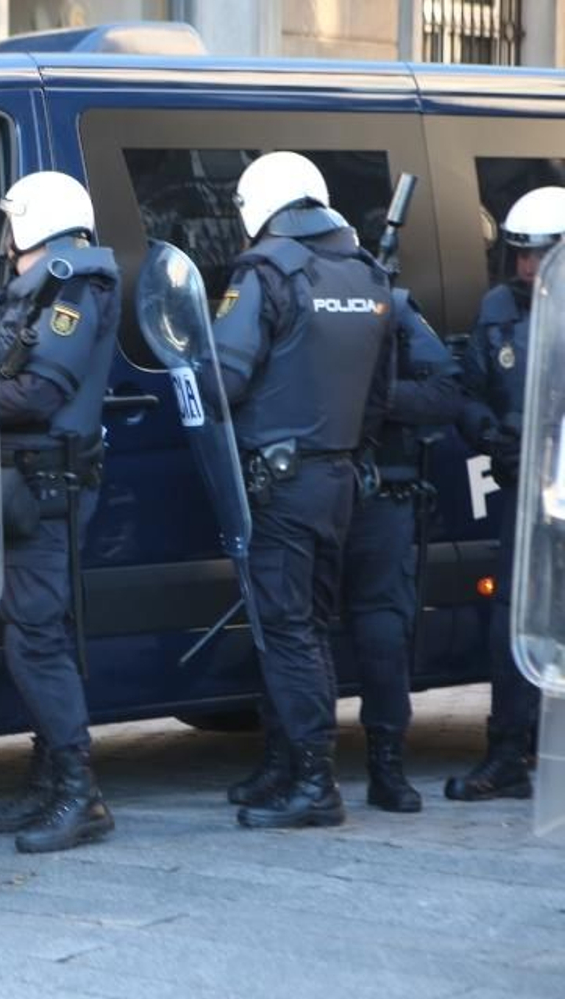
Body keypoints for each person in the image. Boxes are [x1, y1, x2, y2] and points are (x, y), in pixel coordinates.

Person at [210, 151, 392, 830]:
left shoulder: (266, 272)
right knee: (309, 628)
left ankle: (314, 782)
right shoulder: (368, 274)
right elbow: (379, 394)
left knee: (285, 632)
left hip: (279, 484)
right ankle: (290, 764)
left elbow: (224, 378)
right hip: (337, 476)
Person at [0, 171, 120, 854]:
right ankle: (48, 777)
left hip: (46, 489)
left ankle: (78, 792)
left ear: (32, 223)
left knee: (37, 637)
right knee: (34, 634)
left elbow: (39, 392)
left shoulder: (73, 290)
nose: (4, 240)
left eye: (12, 224)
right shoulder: (45, 288)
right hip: (28, 486)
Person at [446, 185, 565, 801]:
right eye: (518, 253)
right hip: (523, 497)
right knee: (511, 625)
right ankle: (507, 754)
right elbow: (467, 388)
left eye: (539, 254)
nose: (526, 266)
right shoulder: (497, 307)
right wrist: (484, 430)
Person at [333, 290, 464, 814]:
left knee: (383, 629)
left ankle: (386, 766)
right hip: (308, 489)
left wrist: (372, 396)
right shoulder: (282, 291)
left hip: (381, 493)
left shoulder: (391, 304)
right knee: (294, 630)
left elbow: (445, 394)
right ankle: (295, 764)